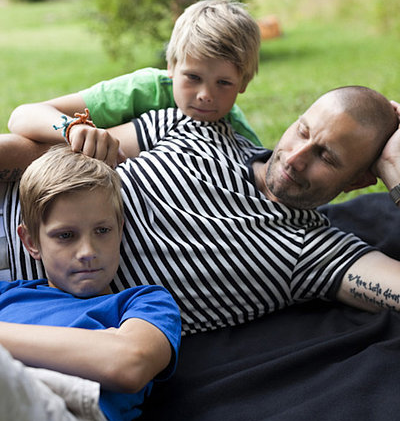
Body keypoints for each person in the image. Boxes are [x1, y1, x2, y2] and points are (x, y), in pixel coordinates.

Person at [5, 85, 400, 335]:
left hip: (21, 310)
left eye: (326, 157)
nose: (296, 158)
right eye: (302, 130)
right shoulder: (195, 128)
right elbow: (45, 156)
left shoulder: (314, 252)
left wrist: (396, 171)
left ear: (359, 182)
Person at [0, 145, 181, 421]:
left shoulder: (142, 303)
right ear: (31, 243)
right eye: (66, 236)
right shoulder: (7, 296)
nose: (87, 251)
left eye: (102, 231)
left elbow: (128, 363)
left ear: (120, 228)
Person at [7, 0, 262, 175]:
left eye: (224, 83)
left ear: (244, 82)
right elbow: (22, 116)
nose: (206, 95)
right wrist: (72, 128)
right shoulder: (143, 89)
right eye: (193, 78)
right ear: (171, 67)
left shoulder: (238, 134)